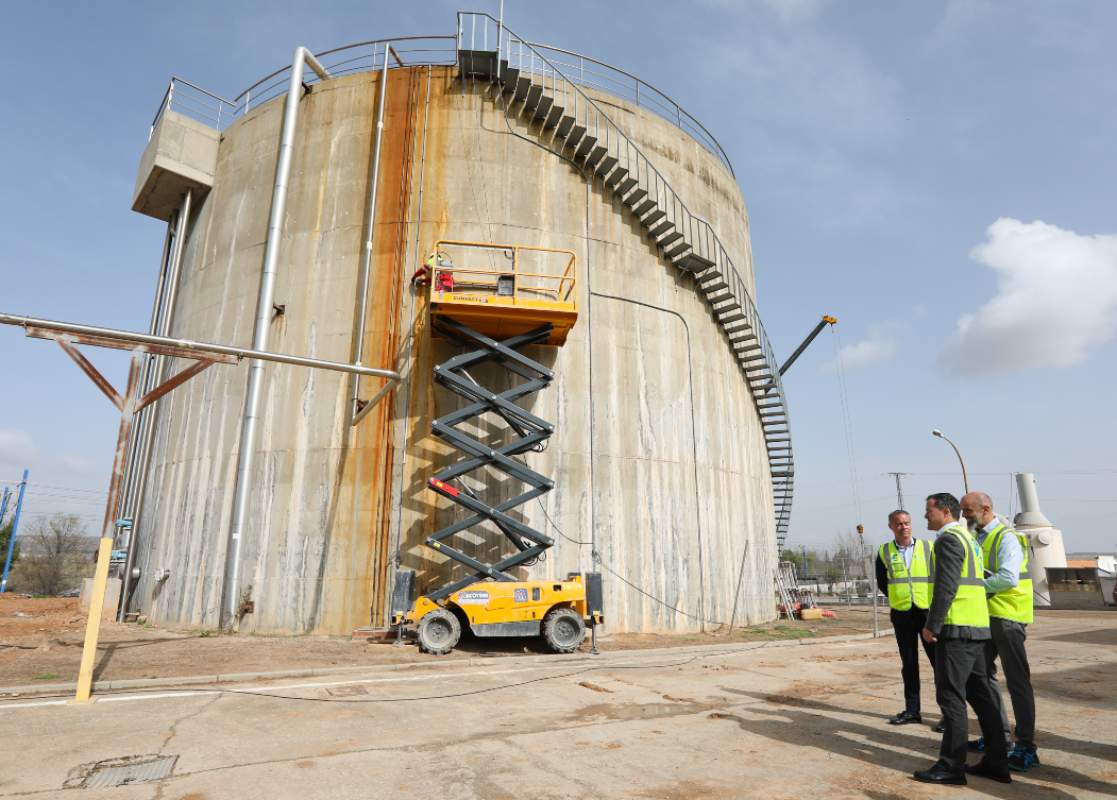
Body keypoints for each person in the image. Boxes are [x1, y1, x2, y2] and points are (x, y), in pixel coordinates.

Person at [913, 492, 1010, 786]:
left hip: (957, 630)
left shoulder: (948, 539)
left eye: (928, 510)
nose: (925, 516)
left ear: (944, 511)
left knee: (951, 697)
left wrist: (933, 625)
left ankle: (951, 766)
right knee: (981, 696)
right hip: (977, 627)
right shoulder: (969, 538)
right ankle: (996, 762)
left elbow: (947, 586)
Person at [960, 491, 1039, 771]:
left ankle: (1026, 746)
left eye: (968, 511)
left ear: (986, 508)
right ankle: (998, 737)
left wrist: (974, 586)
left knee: (1017, 682)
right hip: (986, 616)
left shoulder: (1006, 537)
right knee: (982, 678)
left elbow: (1007, 578)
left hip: (1008, 617)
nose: (965, 516)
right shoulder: (977, 537)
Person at [875, 510, 939, 728]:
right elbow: (883, 582)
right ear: (891, 526)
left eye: (907, 523)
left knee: (939, 663)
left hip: (926, 612)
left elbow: (939, 577)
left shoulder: (928, 548)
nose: (904, 527)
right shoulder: (884, 551)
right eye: (899, 524)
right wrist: (900, 596)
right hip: (902, 614)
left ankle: (949, 715)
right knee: (909, 664)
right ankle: (912, 710)